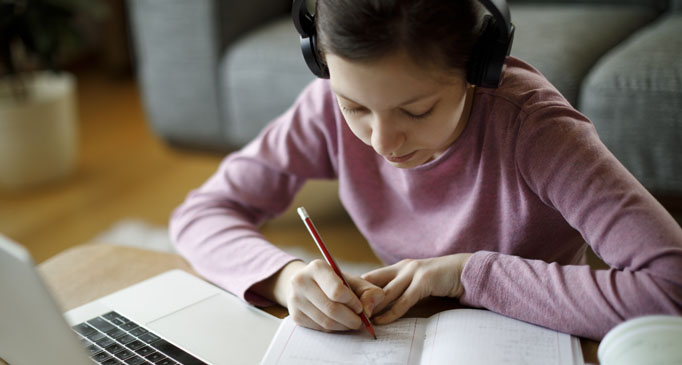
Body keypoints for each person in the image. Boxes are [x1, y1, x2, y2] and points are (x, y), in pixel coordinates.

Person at [170, 0, 682, 341]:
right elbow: (202, 212)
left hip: (538, 336)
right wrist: (284, 278)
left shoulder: (535, 131)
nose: (382, 142)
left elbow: (671, 288)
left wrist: (465, 275)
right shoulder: (323, 107)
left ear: (478, 69)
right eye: (355, 107)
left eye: (416, 112)